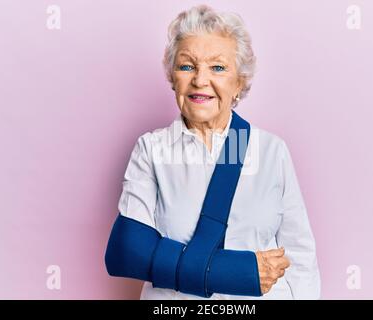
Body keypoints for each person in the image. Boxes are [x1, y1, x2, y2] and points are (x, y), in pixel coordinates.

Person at [105, 4, 320, 300]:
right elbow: (128, 252)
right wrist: (239, 272)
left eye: (218, 67)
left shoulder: (271, 151)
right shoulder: (151, 150)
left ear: (239, 82)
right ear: (172, 77)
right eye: (186, 66)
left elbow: (300, 258)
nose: (200, 80)